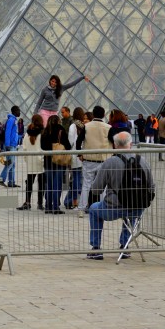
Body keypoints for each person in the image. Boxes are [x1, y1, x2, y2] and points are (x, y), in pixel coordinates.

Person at [87, 131, 155, 260]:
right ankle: (125, 247)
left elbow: (96, 190)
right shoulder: (143, 161)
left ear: (114, 145)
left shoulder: (110, 162)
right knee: (131, 215)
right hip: (137, 207)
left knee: (93, 210)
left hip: (113, 207)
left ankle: (96, 248)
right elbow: (152, 187)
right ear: (131, 144)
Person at [79, 105, 112, 214]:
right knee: (104, 186)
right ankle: (103, 208)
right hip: (104, 160)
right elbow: (114, 143)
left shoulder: (87, 126)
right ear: (103, 115)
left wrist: (80, 154)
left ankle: (81, 209)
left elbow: (79, 141)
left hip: (89, 159)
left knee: (86, 185)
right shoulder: (108, 127)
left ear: (93, 114)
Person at [40, 113, 68, 213]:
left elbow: (42, 147)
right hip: (59, 161)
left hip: (48, 161)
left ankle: (48, 206)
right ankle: (56, 206)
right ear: (58, 121)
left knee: (49, 184)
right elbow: (67, 145)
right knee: (58, 184)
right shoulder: (61, 130)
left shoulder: (45, 131)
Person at [16, 116, 45, 210]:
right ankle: (40, 204)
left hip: (30, 162)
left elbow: (24, 148)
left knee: (29, 183)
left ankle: (27, 202)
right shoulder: (43, 133)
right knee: (41, 184)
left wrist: (26, 159)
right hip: (41, 162)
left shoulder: (27, 134)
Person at [63, 107, 87, 210]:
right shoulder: (85, 125)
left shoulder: (73, 126)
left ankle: (72, 201)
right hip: (84, 155)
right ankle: (77, 201)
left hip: (75, 155)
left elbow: (70, 141)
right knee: (81, 179)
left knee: (75, 179)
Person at [0, 106, 21, 188]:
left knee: (12, 164)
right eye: (19, 110)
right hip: (10, 145)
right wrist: (7, 144)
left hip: (13, 144)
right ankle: (1, 179)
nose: (20, 112)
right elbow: (8, 132)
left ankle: (11, 182)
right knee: (10, 163)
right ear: (15, 111)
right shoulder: (11, 120)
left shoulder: (13, 120)